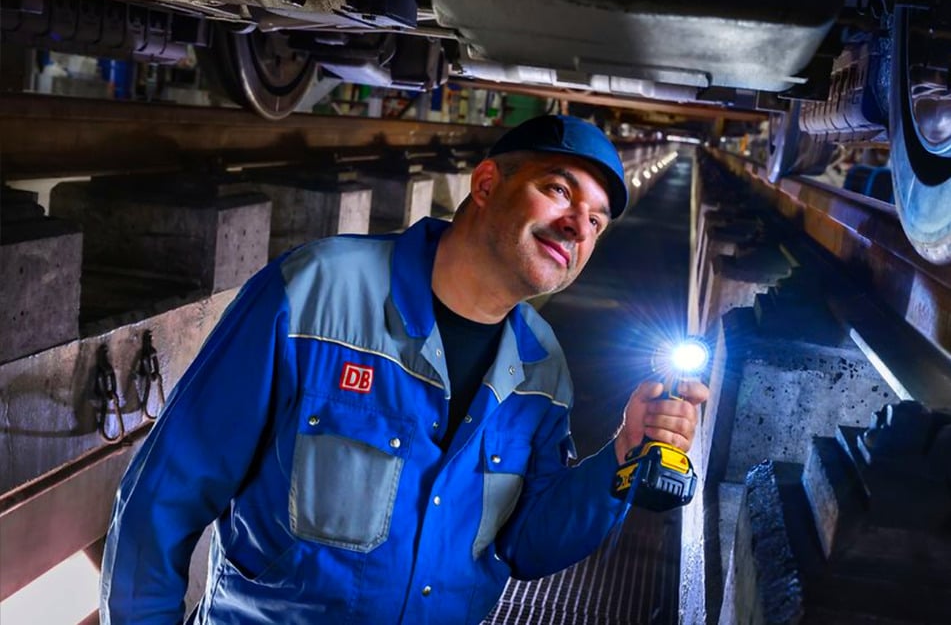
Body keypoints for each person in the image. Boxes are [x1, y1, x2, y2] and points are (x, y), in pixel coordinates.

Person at [100, 114, 708, 624]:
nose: (579, 225)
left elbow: (527, 544)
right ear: (488, 183)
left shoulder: (542, 368)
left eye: (597, 221)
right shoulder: (316, 292)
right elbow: (163, 497)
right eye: (559, 190)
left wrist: (622, 457)